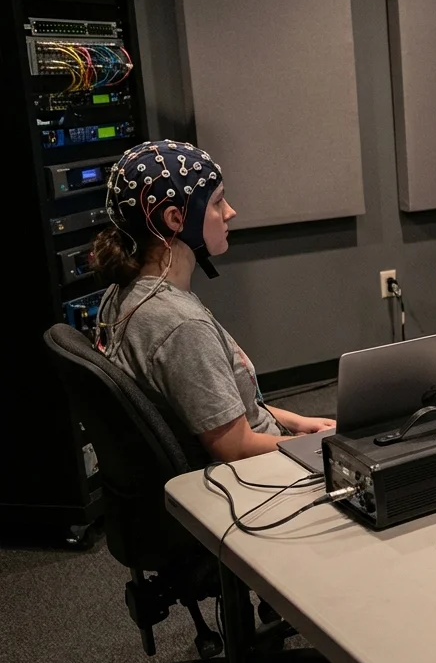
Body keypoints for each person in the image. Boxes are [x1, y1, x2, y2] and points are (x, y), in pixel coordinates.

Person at [92, 140, 335, 463]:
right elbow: (233, 447)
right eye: (218, 202)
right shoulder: (180, 326)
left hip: (267, 448)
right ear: (176, 218)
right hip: (259, 474)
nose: (230, 211)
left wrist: (297, 422)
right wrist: (317, 446)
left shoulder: (122, 292)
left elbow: (218, 405)